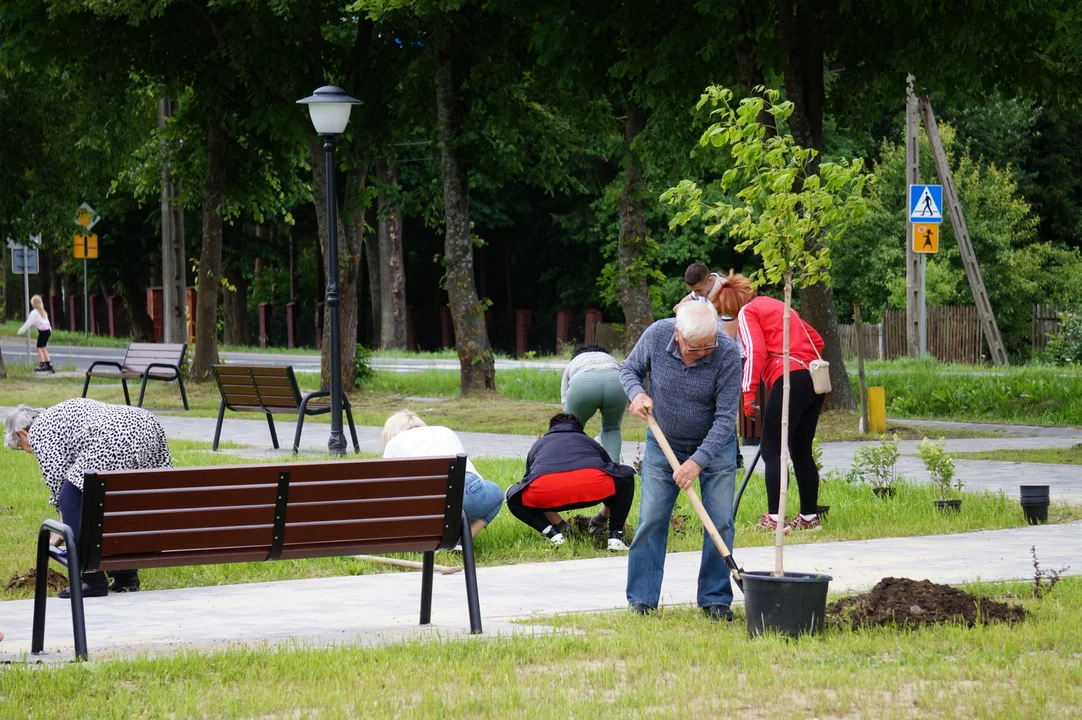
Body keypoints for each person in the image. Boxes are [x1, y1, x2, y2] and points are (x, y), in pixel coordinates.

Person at [620, 301, 742, 621]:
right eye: (695, 348)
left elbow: (726, 418)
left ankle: (715, 599)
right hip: (664, 444)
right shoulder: (658, 334)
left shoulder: (726, 352)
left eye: (708, 346)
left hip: (714, 448)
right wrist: (636, 394)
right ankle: (642, 599)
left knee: (719, 521)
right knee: (651, 519)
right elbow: (628, 369)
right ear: (677, 334)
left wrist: (697, 461)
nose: (703, 353)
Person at [5, 399, 173, 598]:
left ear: (22, 433)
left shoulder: (40, 431)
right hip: (145, 424)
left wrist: (62, 530)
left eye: (21, 446)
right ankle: (126, 578)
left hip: (114, 436)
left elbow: (58, 482)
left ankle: (92, 579)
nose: (27, 450)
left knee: (69, 496)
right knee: (117, 499)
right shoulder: (58, 416)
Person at [718, 273, 826, 532]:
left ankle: (776, 520)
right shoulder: (781, 305)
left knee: (772, 450)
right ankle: (809, 518)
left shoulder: (747, 312)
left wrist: (748, 391)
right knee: (801, 451)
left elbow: (756, 351)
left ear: (732, 305)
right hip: (814, 379)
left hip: (789, 379)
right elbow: (818, 341)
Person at [505, 412, 635, 551]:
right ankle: (615, 537)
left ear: (551, 429)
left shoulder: (539, 444)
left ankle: (554, 534)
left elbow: (529, 480)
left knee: (513, 497)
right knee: (625, 477)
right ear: (579, 428)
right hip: (593, 489)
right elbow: (611, 470)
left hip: (547, 492)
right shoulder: (587, 440)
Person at [381, 410, 502, 537]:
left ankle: (435, 539)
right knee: (495, 492)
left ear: (389, 434)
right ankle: (460, 540)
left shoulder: (394, 443)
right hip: (466, 498)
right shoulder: (445, 431)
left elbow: (387, 488)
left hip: (425, 510)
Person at [560, 343, 627, 461]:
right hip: (617, 380)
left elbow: (565, 411)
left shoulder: (574, 362)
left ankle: (573, 465)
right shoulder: (609, 359)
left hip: (583, 381)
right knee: (612, 429)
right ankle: (614, 472)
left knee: (570, 427)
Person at [17, 295, 54, 374]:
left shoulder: (34, 313)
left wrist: (20, 331)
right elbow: (47, 322)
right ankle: (49, 365)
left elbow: (28, 323)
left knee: (39, 348)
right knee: (43, 348)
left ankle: (42, 365)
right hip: (47, 331)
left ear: (34, 303)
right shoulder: (43, 312)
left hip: (43, 332)